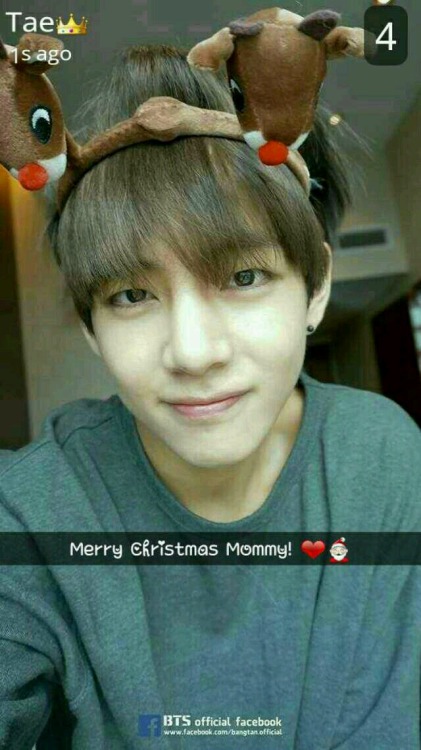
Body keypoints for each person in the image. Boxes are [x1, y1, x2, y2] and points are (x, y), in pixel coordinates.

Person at [0, 44, 420, 750]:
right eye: (131, 296)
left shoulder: (381, 455)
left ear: (315, 287)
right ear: (92, 327)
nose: (193, 353)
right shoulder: (35, 509)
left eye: (244, 278)